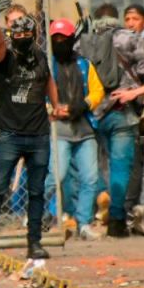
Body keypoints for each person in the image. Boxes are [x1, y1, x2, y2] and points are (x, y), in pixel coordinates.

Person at [0, 0, 61, 266]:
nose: (20, 38)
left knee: (36, 191)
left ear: (32, 35)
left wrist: (57, 104)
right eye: (15, 34)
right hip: (11, 135)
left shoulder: (40, 56)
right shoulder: (5, 58)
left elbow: (48, 80)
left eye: (24, 34)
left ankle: (34, 243)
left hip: (39, 134)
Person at [77, 4, 144, 238]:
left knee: (96, 166)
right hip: (123, 110)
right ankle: (117, 220)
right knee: (121, 166)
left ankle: (100, 202)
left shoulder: (82, 42)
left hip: (91, 112)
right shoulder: (128, 38)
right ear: (116, 17)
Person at [46, 18, 105, 240]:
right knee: (56, 176)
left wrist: (84, 104)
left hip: (84, 128)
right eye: (56, 39)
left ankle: (84, 223)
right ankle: (41, 214)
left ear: (72, 40)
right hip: (58, 129)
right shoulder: (47, 66)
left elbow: (98, 91)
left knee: (90, 178)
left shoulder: (85, 65)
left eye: (64, 38)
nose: (60, 42)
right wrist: (51, 109)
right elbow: (38, 93)